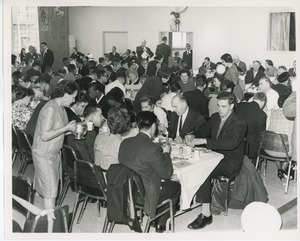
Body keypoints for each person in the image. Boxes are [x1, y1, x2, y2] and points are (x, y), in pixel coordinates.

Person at [188, 92, 247, 230]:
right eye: (218, 106)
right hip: (215, 155)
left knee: (204, 170)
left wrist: (204, 141)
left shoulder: (239, 122)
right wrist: (192, 135)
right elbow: (203, 130)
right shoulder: (215, 117)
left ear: (232, 106)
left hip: (230, 160)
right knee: (194, 163)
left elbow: (230, 143)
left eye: (223, 106)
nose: (219, 109)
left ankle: (206, 214)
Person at [118, 111, 181, 233]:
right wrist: (166, 153)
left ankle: (156, 216)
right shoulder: (153, 148)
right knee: (176, 185)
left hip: (127, 190)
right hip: (145, 194)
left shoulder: (125, 143)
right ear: (153, 126)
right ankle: (161, 222)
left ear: (137, 125)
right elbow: (166, 174)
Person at [32, 80, 77, 210]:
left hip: (53, 154)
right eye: (73, 97)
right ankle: (50, 223)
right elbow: (45, 135)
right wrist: (65, 129)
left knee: (51, 190)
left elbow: (56, 132)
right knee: (50, 191)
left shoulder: (61, 108)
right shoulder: (51, 108)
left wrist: (71, 131)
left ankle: (50, 218)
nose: (73, 101)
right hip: (43, 154)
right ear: (65, 95)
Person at [267, 93, 294, 180]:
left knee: (276, 140)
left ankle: (280, 169)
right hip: (286, 151)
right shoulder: (292, 115)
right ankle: (283, 169)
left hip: (269, 148)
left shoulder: (272, 113)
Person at [235, 92, 267, 163]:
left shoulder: (240, 105)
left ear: (253, 98)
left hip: (235, 140)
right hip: (250, 147)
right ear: (263, 102)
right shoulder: (261, 114)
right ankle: (253, 168)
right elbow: (261, 134)